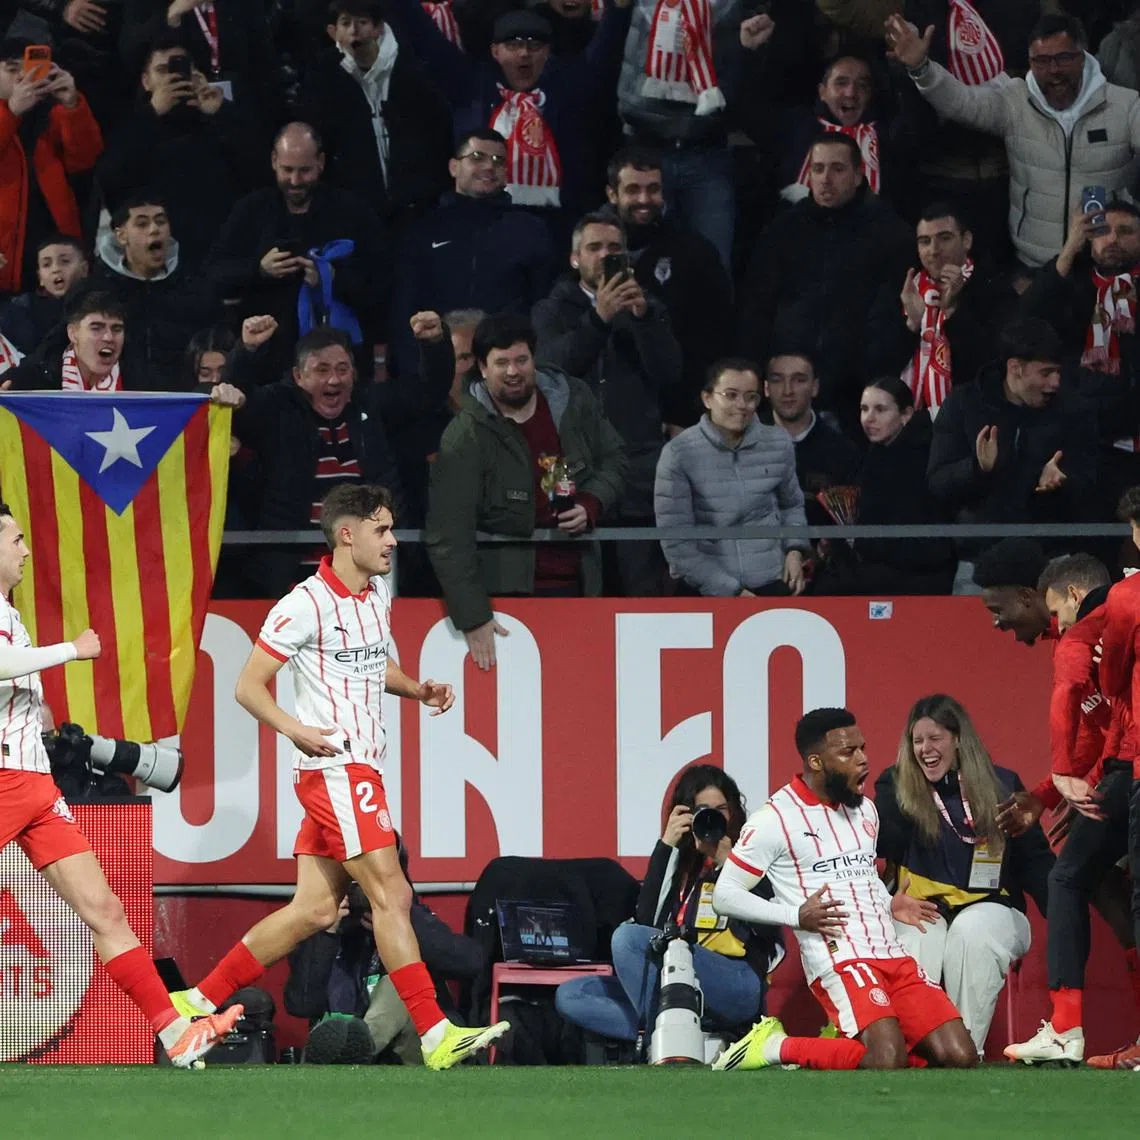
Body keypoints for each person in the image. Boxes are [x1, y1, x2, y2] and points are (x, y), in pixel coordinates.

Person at [171, 483, 509, 1069]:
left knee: (316, 912)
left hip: (358, 769)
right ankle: (434, 1033)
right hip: (335, 768)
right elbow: (247, 687)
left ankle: (195, 998)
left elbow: (374, 665)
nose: (392, 541)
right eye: (381, 529)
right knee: (391, 893)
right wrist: (294, 728)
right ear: (346, 534)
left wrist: (417, 688)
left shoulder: (377, 595)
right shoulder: (303, 604)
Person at [0, 503, 242, 1067]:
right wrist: (73, 651)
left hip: (34, 785)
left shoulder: (10, 611)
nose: (26, 550)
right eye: (14, 539)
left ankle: (175, 1035)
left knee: (104, 912)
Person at [711, 707, 979, 1071]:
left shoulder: (865, 809)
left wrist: (888, 903)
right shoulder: (775, 819)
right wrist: (795, 915)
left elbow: (857, 875)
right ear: (817, 762)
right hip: (841, 959)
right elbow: (725, 895)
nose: (863, 760)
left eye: (862, 748)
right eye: (848, 753)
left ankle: (863, 1047)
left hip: (891, 953)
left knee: (960, 1056)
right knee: (886, 1060)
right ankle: (775, 1045)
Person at [425, 312, 626, 669]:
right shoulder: (465, 435)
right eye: (501, 363)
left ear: (534, 359)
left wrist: (592, 501)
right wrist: (473, 617)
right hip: (507, 599)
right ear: (483, 369)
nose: (513, 371)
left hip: (582, 585)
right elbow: (447, 535)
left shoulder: (573, 401)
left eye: (521, 360)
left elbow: (616, 460)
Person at [1002, 551, 1140, 1068]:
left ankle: (1064, 1029)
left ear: (1074, 596)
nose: (1055, 624)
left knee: (1067, 879)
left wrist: (1063, 778)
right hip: (1122, 772)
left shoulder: (1085, 638)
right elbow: (1100, 737)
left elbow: (1071, 709)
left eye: (1056, 611)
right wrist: (1052, 792)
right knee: (1097, 880)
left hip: (1130, 772)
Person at [887, 12, 1140, 268]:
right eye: (1041, 61)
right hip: (1035, 265)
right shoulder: (1015, 101)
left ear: (1084, 57)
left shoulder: (1126, 105)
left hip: (1104, 262)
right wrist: (921, 68)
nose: (1053, 71)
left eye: (1063, 58)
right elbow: (962, 103)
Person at [553, 765, 781, 1047]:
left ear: (732, 812)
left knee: (625, 938)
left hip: (735, 981)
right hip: (676, 981)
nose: (712, 818)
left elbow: (771, 931)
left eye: (721, 809)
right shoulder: (681, 865)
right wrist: (668, 845)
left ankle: (661, 1039)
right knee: (573, 994)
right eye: (703, 810)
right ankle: (689, 1033)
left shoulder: (751, 852)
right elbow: (649, 924)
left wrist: (730, 865)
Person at [875, 694, 1052, 1054]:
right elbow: (871, 856)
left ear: (958, 739)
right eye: (917, 740)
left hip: (995, 908)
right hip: (921, 907)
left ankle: (964, 1053)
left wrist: (1064, 912)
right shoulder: (896, 787)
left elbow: (1035, 861)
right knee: (918, 940)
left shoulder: (1002, 785)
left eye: (935, 738)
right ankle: (915, 1053)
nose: (925, 749)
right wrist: (887, 900)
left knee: (972, 933)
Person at [226, 314, 452, 596]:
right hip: (294, 580)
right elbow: (236, 402)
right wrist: (246, 351)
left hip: (374, 579)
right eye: (321, 370)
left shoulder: (371, 406)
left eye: (342, 369)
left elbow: (428, 392)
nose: (334, 379)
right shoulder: (279, 410)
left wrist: (434, 344)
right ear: (299, 376)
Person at [382, 0, 631, 232]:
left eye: (534, 45)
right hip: (481, 224)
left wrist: (619, 11)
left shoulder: (570, 88)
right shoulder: (470, 85)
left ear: (547, 52)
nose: (524, 53)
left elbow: (604, 55)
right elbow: (425, 38)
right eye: (513, 45)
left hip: (556, 227)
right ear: (495, 51)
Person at [533, 210, 681, 594]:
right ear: (575, 258)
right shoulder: (551, 310)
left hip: (637, 465)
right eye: (594, 247)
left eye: (614, 248)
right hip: (568, 465)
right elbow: (551, 370)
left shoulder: (649, 307)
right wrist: (598, 318)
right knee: (578, 585)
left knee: (641, 585)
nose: (604, 254)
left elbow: (669, 373)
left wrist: (644, 319)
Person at [739, 133, 913, 429]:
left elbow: (891, 316)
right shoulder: (783, 230)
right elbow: (757, 307)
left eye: (837, 169)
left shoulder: (890, 233)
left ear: (859, 176)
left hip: (856, 393)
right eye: (817, 169)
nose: (825, 179)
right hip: (787, 387)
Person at [205, 121, 390, 378]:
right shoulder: (251, 211)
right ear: (273, 161)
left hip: (338, 364)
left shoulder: (352, 213)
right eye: (287, 170)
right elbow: (214, 275)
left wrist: (333, 279)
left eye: (305, 171)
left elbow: (382, 286)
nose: (295, 181)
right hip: (267, 364)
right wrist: (258, 269)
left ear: (321, 163)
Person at [927, 319, 1099, 595]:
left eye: (1058, 372)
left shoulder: (1074, 411)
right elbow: (937, 483)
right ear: (1015, 368)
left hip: (1053, 563)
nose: (1055, 383)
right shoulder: (964, 405)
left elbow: (1092, 481)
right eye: (1046, 373)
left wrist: (1063, 481)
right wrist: (977, 469)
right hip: (979, 566)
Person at [387, 129, 555, 378]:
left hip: (505, 368)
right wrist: (416, 371)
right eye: (477, 157)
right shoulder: (422, 229)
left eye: (499, 161)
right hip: (436, 368)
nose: (489, 166)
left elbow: (542, 306)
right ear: (454, 167)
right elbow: (404, 305)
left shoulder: (530, 230)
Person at [97, 29, 265, 270]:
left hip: (221, 250)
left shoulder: (219, 116)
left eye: (179, 69)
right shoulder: (131, 123)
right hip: (160, 255)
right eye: (162, 71)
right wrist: (152, 115)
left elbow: (257, 172)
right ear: (145, 81)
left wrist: (220, 114)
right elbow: (112, 180)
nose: (171, 78)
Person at [600, 145, 734, 428]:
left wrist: (685, 413)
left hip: (675, 410)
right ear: (612, 194)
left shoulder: (694, 252)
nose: (644, 199)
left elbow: (713, 337)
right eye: (633, 189)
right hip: (606, 411)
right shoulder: (590, 248)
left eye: (653, 189)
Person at [1019, 200, 1140, 512]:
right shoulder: (1071, 285)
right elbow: (1026, 324)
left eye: (1125, 231)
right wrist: (1070, 248)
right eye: (1103, 230)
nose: (1113, 239)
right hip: (1084, 444)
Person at [654, 358, 808, 598]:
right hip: (705, 589)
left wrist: (795, 550)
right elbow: (676, 542)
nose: (742, 405)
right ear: (707, 398)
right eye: (731, 395)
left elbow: (792, 505)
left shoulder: (778, 443)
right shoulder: (678, 453)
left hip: (771, 581)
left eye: (751, 397)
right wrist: (731, 591)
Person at [297, 1, 452, 227]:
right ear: (333, 32)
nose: (354, 31)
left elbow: (439, 135)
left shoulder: (413, 72)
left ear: (379, 28)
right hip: (355, 210)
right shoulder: (322, 78)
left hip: (415, 208)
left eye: (362, 22)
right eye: (346, 23)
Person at [866, 203, 1017, 416]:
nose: (934, 251)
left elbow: (992, 368)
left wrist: (953, 312)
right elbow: (874, 365)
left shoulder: (994, 291)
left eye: (944, 238)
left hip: (969, 420)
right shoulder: (899, 291)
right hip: (903, 422)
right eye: (925, 242)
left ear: (966, 241)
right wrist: (910, 326)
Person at [812, 376, 955, 596]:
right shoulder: (871, 457)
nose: (869, 419)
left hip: (915, 580)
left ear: (906, 415)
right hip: (875, 571)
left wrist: (861, 542)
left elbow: (925, 543)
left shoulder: (922, 462)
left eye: (880, 409)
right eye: (864, 409)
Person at [86, 191, 220, 389]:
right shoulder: (95, 291)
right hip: (118, 406)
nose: (154, 229)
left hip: (184, 406)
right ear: (121, 235)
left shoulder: (196, 287)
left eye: (161, 221)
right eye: (142, 224)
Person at [0, 36, 103, 294]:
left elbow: (86, 162)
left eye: (31, 68)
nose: (23, 77)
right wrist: (11, 112)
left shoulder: (54, 115)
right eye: (12, 69)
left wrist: (72, 105)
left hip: (55, 265)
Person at [763, 350, 860, 514]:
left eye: (799, 380)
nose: (787, 391)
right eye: (777, 380)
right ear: (766, 388)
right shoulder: (744, 442)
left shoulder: (843, 452)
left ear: (815, 387)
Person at [0, 233, 88, 354]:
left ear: (84, 269)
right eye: (46, 264)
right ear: (40, 277)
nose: (55, 269)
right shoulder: (23, 310)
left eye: (65, 261)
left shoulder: (101, 304)